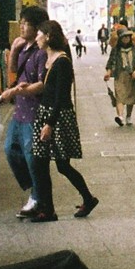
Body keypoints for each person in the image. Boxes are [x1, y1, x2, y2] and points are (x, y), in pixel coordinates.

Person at [29, 19, 98, 221]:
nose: (36, 38)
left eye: (39, 34)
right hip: (46, 114)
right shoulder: (46, 58)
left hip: (57, 117)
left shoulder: (63, 62)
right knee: (40, 162)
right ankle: (47, 209)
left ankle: (87, 197)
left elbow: (60, 97)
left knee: (62, 165)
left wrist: (49, 123)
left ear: (48, 36)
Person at [0, 4, 48, 217]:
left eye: (26, 23)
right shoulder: (22, 49)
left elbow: (41, 84)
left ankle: (38, 198)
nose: (21, 26)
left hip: (34, 112)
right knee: (10, 149)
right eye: (21, 22)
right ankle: (34, 190)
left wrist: (17, 91)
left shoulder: (41, 53)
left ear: (37, 27)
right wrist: (14, 52)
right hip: (20, 112)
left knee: (31, 156)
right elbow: (12, 79)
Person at [104, 26, 135, 126]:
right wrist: (108, 72)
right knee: (119, 96)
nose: (126, 39)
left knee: (130, 97)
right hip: (120, 75)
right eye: (124, 37)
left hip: (131, 75)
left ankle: (128, 116)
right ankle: (120, 116)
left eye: (127, 37)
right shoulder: (116, 50)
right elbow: (111, 62)